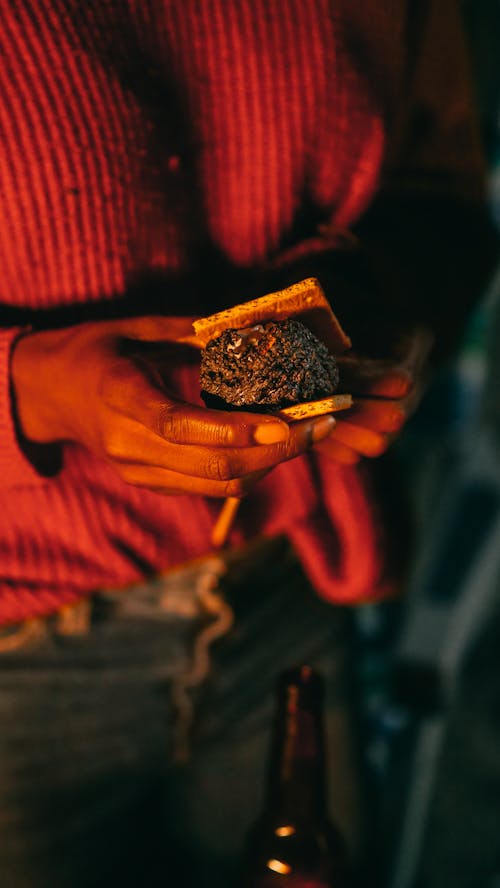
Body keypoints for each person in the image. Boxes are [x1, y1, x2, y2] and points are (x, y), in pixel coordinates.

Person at [0, 2, 497, 886]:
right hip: (22, 653)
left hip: (287, 587)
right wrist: (33, 388)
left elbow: (441, 198)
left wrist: (377, 315)